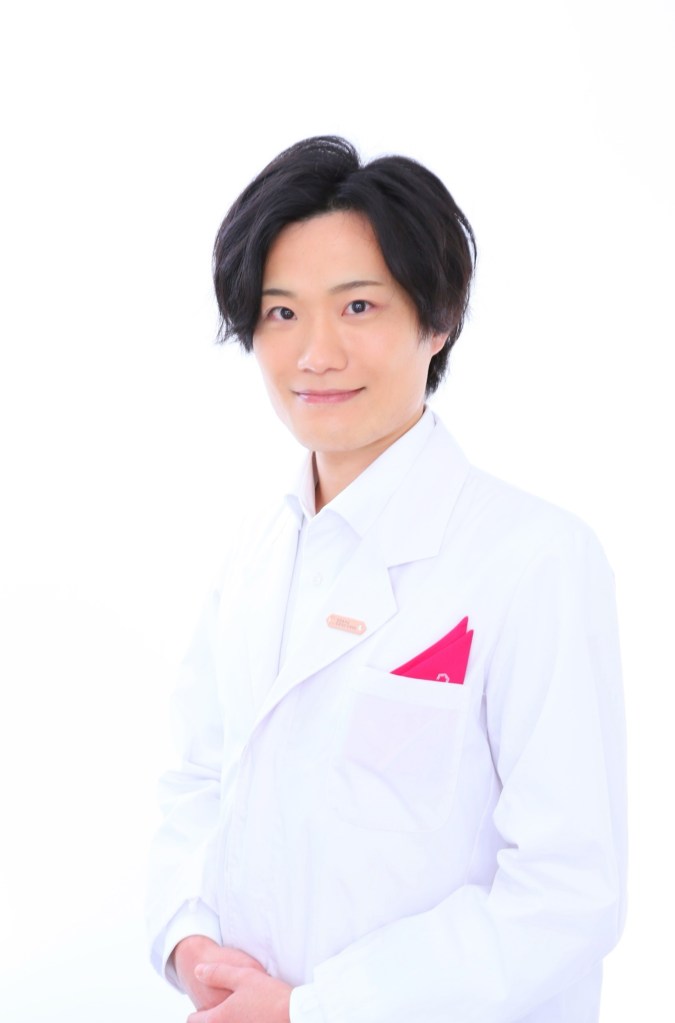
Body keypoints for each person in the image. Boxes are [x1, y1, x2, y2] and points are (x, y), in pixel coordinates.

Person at [147, 136, 627, 1023]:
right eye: (281, 312)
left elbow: (566, 891)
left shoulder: (534, 558)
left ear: (437, 320)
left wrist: (318, 1009)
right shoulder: (253, 554)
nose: (314, 353)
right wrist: (189, 936)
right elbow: (196, 780)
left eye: (358, 306)